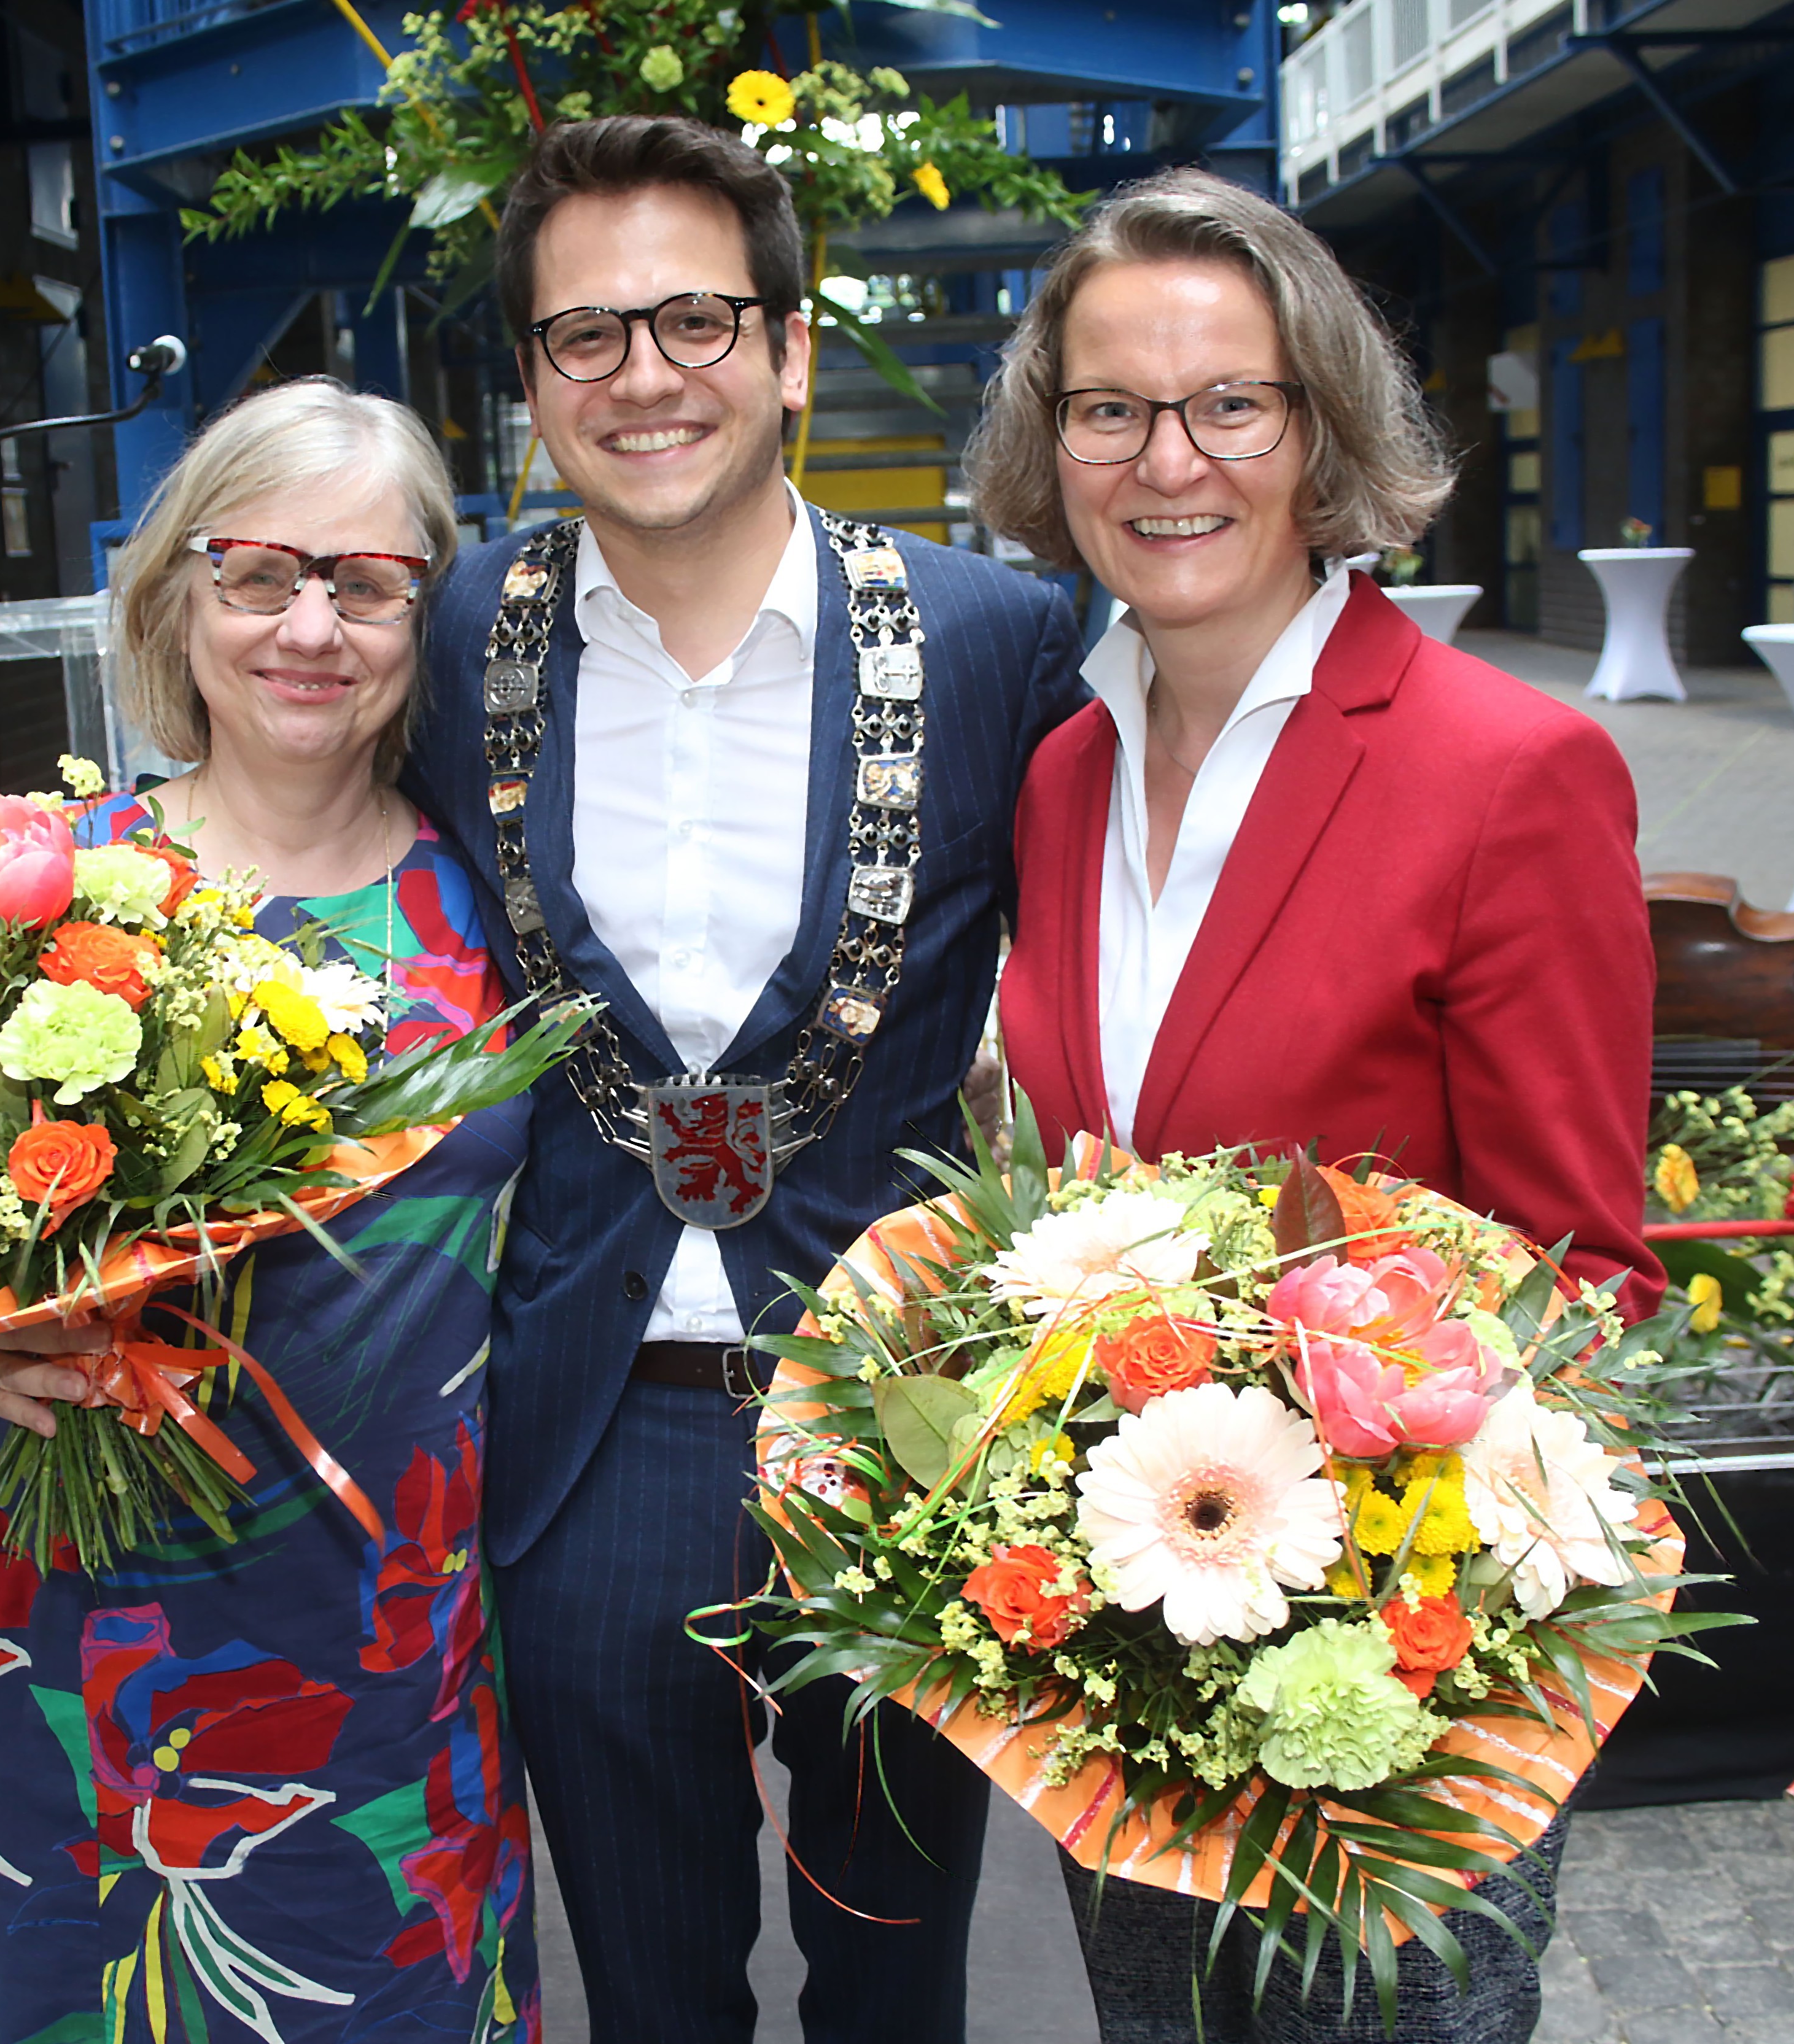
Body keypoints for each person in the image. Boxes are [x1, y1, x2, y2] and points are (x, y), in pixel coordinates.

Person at [405, 116, 1087, 2044]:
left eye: (694, 318)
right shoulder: (456, 640)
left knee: (896, 1981)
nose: (643, 375)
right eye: (583, 336)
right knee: (649, 1988)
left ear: (789, 347)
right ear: (530, 384)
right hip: (587, 1426)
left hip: (902, 1419)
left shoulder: (991, 636)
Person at [968, 169, 1661, 2042]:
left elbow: (1583, 1272)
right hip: (1133, 1641)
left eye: (1228, 404)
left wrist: (1366, 1570)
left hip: (1401, 1678)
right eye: (1105, 407)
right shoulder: (1058, 776)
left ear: (1320, 427)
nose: (1161, 459)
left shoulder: (1504, 767)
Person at [0, 378, 540, 2042]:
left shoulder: (504, 912)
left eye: (365, 582)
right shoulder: (44, 901)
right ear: (175, 600)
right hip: (99, 1622)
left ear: (432, 612)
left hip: (396, 1624)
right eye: (258, 571)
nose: (308, 626)